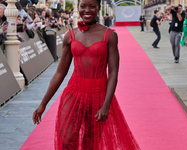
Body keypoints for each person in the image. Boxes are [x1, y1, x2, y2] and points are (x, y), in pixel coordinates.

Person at [32, 0, 141, 149]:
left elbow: (113, 73)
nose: (87, 10)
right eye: (83, 6)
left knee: (90, 143)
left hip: (98, 96)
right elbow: (60, 73)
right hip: (73, 94)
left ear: (98, 8)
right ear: (78, 8)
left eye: (92, 6)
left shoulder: (110, 35)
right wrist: (43, 104)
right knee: (66, 140)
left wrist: (106, 105)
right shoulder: (70, 35)